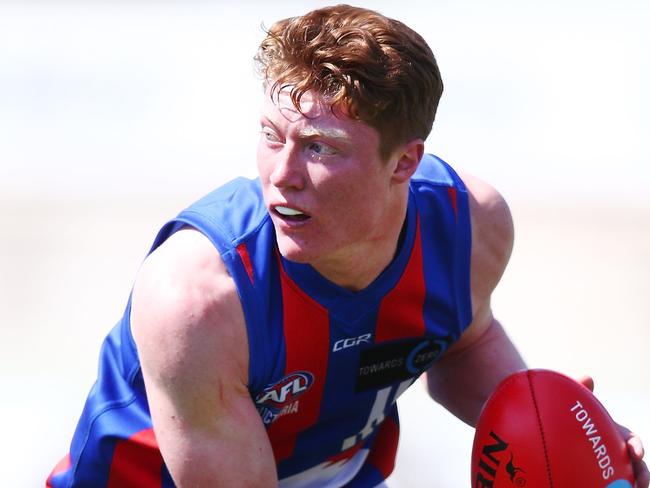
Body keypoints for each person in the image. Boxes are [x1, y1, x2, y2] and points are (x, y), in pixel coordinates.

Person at [47, 4, 648, 487]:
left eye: (320, 147)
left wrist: (569, 432)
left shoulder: (468, 227)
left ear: (404, 161)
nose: (282, 175)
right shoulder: (198, 298)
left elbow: (462, 346)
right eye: (271, 136)